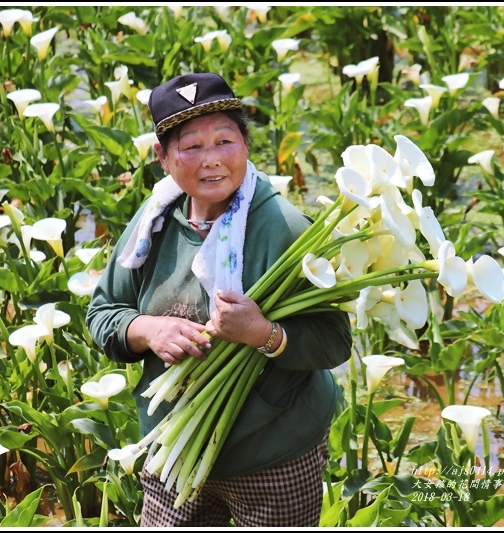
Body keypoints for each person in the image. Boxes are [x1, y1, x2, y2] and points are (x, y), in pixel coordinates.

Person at [86, 72, 353, 527]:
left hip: (270, 454)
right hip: (170, 445)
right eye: (191, 147)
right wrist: (148, 330)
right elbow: (103, 312)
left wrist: (264, 334)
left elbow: (333, 342)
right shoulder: (154, 221)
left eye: (224, 141)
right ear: (162, 158)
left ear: (246, 146)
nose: (211, 160)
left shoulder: (283, 229)